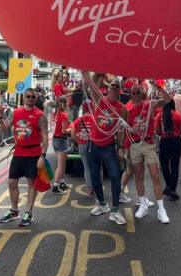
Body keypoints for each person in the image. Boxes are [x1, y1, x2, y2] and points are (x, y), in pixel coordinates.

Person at [0, 88, 48, 227]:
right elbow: (3, 128)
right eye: (28, 96)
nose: (30, 98)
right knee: (12, 182)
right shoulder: (16, 112)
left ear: (36, 98)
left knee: (32, 183)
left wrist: (42, 156)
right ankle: (14, 211)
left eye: (33, 97)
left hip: (34, 154)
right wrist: (1, 116)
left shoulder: (41, 116)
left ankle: (29, 212)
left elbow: (45, 137)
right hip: (19, 153)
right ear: (24, 97)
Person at [83, 74, 127, 225]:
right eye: (112, 85)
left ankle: (115, 210)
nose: (114, 87)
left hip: (108, 147)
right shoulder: (100, 100)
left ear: (119, 91)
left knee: (115, 176)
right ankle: (102, 204)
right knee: (95, 177)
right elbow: (92, 86)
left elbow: (121, 130)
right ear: (107, 89)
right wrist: (92, 73)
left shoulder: (122, 109)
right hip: (92, 145)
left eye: (117, 86)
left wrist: (121, 148)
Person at [126, 82, 169, 223]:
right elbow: (124, 129)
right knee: (138, 175)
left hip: (149, 143)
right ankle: (143, 204)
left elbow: (168, 101)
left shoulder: (149, 104)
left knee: (155, 176)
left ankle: (161, 209)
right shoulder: (126, 108)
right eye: (134, 92)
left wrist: (159, 87)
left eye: (139, 92)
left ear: (142, 93)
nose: (136, 95)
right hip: (134, 145)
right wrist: (132, 129)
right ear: (130, 94)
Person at [156, 91, 181, 201]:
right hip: (176, 141)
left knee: (164, 165)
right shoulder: (178, 115)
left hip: (164, 142)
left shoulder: (159, 116)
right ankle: (173, 189)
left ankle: (168, 185)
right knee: (175, 166)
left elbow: (157, 131)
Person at [70, 103, 94, 197]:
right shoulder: (94, 119)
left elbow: (72, 133)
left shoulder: (79, 120)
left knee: (87, 168)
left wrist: (79, 140)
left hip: (82, 145)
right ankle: (97, 187)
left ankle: (89, 190)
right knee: (97, 167)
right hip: (92, 145)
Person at [51, 96, 72, 194]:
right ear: (64, 104)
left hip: (55, 140)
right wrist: (72, 129)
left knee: (61, 164)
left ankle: (62, 183)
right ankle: (55, 186)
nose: (68, 104)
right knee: (61, 165)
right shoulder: (64, 115)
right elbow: (64, 131)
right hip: (61, 141)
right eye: (67, 102)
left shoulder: (55, 113)